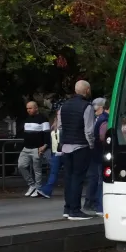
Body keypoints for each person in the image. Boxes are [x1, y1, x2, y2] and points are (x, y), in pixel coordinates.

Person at [57, 80, 96, 220]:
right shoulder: (87, 107)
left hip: (66, 146)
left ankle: (67, 208)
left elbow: (60, 127)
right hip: (81, 146)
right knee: (78, 178)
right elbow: (89, 130)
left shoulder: (63, 106)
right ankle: (75, 210)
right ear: (86, 90)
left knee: (68, 177)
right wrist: (91, 145)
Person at [17, 101, 51, 197]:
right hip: (26, 147)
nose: (28, 110)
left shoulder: (43, 119)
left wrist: (44, 146)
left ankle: (38, 188)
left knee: (37, 169)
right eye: (27, 108)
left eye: (30, 108)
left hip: (37, 148)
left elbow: (46, 134)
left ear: (36, 108)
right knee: (21, 166)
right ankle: (32, 185)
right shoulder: (27, 119)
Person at [84, 98, 109, 216]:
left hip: (94, 152)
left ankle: (90, 202)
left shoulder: (99, 118)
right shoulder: (104, 119)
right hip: (99, 152)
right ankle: (98, 205)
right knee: (99, 179)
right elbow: (103, 138)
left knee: (94, 178)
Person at [39, 111, 64, 198]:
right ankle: (47, 190)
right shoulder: (55, 126)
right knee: (54, 172)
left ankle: (47, 190)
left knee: (55, 172)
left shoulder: (63, 127)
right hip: (55, 152)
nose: (58, 115)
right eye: (58, 114)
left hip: (61, 152)